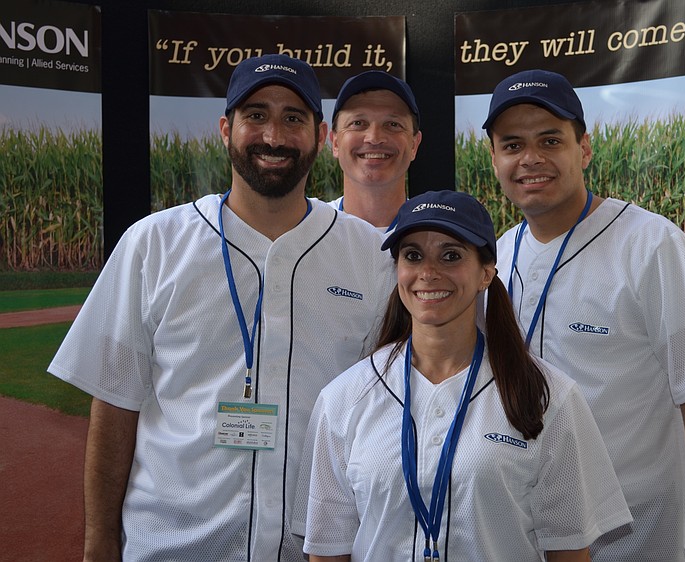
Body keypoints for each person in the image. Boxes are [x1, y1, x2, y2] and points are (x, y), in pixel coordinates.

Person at [47, 54, 395, 561]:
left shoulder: (371, 256)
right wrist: (99, 545)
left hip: (319, 549)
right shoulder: (154, 244)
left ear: (320, 136)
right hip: (172, 546)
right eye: (255, 115)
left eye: (293, 118)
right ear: (225, 128)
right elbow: (114, 405)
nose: (273, 136)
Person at [293, 189, 632, 561]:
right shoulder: (344, 398)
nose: (428, 273)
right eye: (413, 255)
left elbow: (569, 551)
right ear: (397, 269)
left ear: (486, 272)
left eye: (451, 255)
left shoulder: (548, 397)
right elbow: (328, 551)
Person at [483, 69, 685, 562]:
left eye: (550, 140)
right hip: (524, 534)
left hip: (637, 538)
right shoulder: (494, 259)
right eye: (512, 144)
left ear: (585, 148)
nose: (530, 158)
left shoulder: (650, 244)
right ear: (493, 157)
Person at [327, 70, 422, 229]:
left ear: (414, 145)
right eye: (358, 123)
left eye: (393, 124)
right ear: (335, 143)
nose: (374, 138)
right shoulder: (306, 232)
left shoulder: (437, 236)